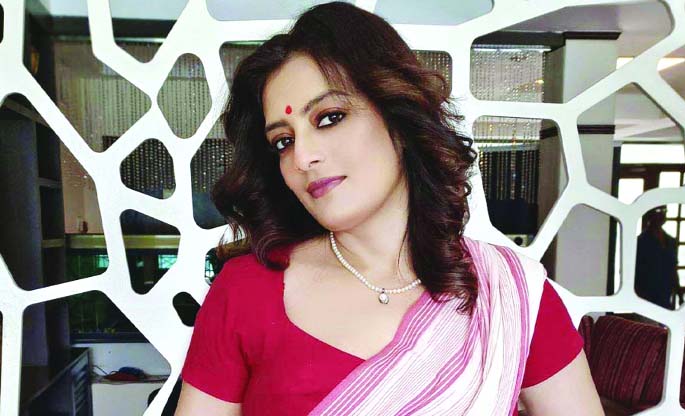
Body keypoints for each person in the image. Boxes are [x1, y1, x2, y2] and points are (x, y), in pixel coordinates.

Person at [175, 2, 604, 415]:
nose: (302, 157)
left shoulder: (507, 295)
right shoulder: (246, 292)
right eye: (283, 141)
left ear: (398, 119)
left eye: (329, 117)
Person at [635, 206, 682, 309]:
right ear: (650, 214)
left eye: (664, 211)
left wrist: (680, 294)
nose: (662, 214)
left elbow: (673, 269)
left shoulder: (670, 241)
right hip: (646, 296)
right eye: (658, 211)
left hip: (665, 296)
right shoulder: (640, 242)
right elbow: (634, 271)